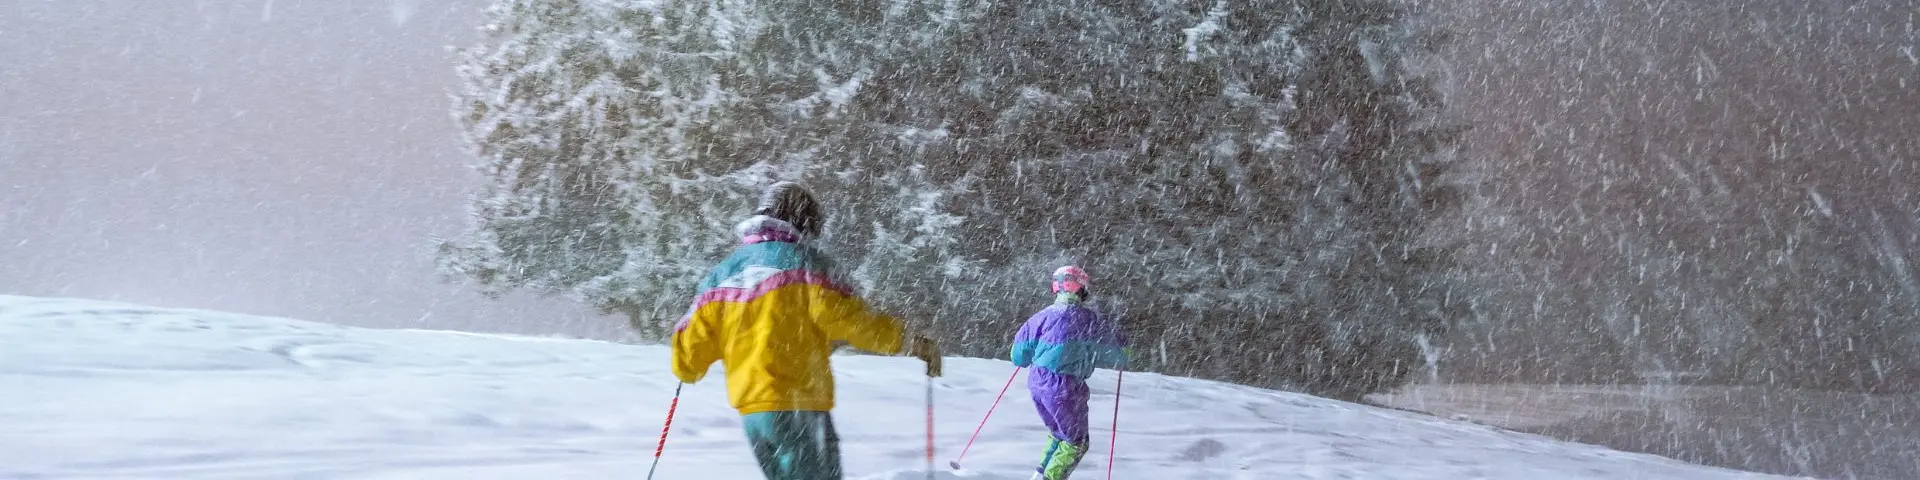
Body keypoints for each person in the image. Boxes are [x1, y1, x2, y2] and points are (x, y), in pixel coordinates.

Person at [671, 181, 943, 480]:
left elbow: (689, 359)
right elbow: (852, 322)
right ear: (805, 222)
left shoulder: (722, 274)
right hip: (798, 405)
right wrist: (910, 342)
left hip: (753, 413)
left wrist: (685, 362)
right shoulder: (807, 266)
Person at [1010, 266, 1128, 480]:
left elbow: (1018, 356)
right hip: (1065, 387)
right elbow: (1117, 354)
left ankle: (1038, 476)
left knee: (1059, 434)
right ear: (1081, 289)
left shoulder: (1041, 317)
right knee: (1076, 442)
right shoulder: (1090, 320)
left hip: (1038, 383)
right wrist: (1122, 344)